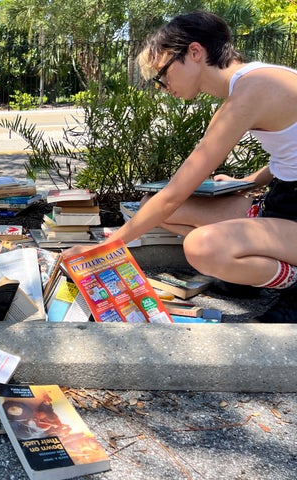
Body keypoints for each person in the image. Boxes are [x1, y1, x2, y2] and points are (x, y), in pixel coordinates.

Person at [64, 11, 297, 323]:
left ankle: (293, 288)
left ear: (195, 52)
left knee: (202, 248)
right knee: (151, 208)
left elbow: (174, 193)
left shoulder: (251, 91)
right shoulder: (252, 83)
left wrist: (105, 247)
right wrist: (249, 179)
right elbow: (289, 151)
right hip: (282, 200)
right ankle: (260, 271)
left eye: (163, 73)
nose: (162, 86)